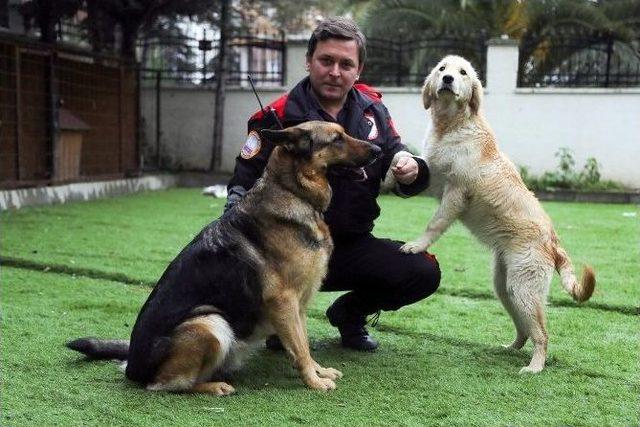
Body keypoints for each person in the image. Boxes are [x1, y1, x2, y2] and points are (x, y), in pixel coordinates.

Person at [224, 17, 440, 351]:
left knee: (422, 270)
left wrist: (409, 165)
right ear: (309, 61)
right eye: (326, 61)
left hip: (349, 248)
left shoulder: (374, 110)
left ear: (359, 69)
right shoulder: (275, 118)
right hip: (286, 253)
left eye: (345, 64)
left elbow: (396, 152)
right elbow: (241, 185)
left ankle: (349, 314)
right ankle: (275, 322)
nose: (335, 72)